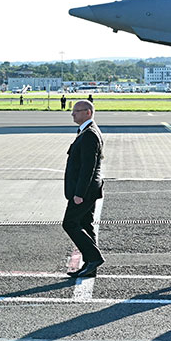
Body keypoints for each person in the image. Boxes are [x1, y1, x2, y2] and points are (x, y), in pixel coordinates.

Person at [64, 100, 105, 278]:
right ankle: (90, 266)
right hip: (89, 188)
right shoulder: (87, 131)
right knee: (85, 225)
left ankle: (94, 258)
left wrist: (79, 193)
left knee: (70, 223)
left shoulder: (89, 134)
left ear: (88, 112)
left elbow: (87, 167)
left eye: (77, 111)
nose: (73, 114)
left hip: (85, 190)